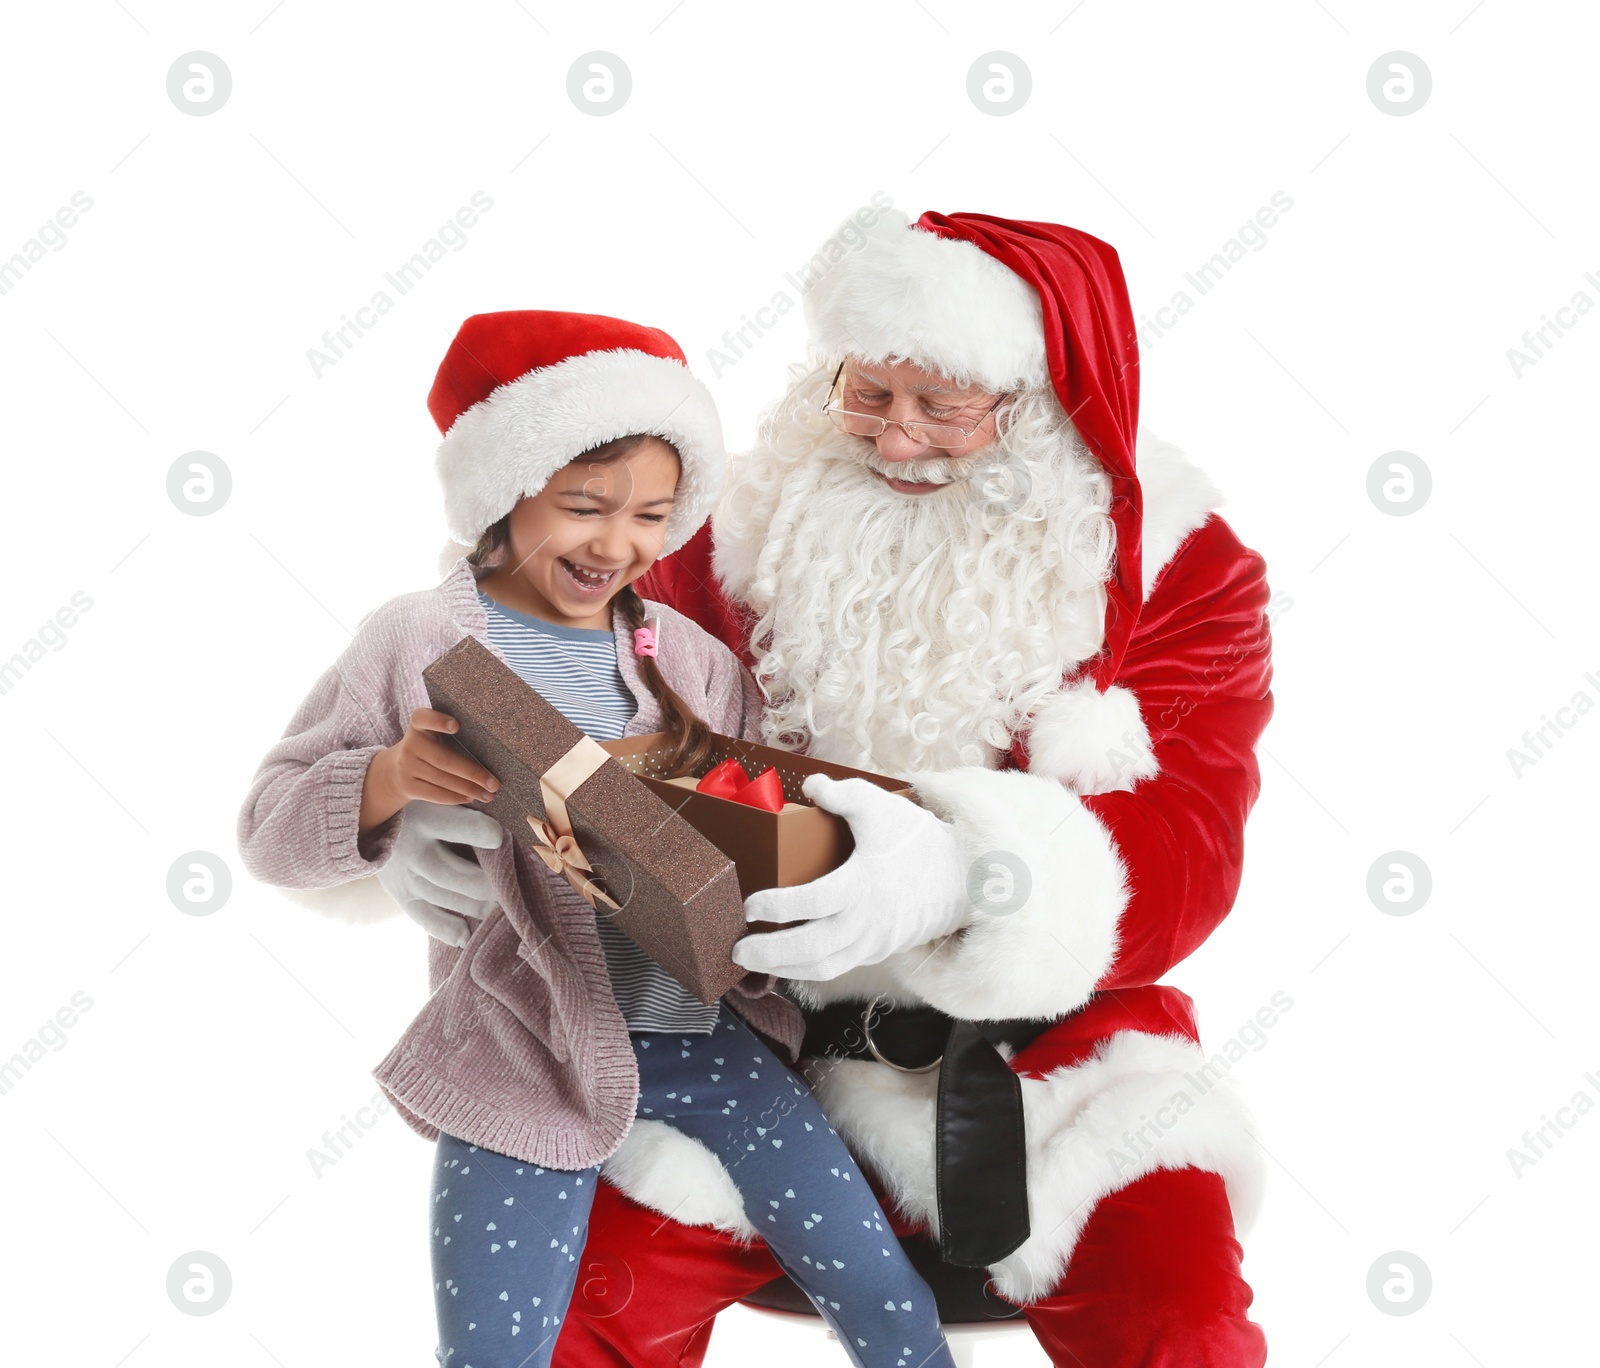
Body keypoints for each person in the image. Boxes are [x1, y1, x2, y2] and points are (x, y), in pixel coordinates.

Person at [332, 211, 1278, 1367]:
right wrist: (441, 818)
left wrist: (951, 876)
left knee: (1180, 1324)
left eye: (944, 405)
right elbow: (544, 670)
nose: (896, 439)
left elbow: (1187, 845)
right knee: (576, 1307)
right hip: (741, 1036)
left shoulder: (1180, 571)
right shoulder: (723, 532)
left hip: (1046, 1061)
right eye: (868, 393)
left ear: (1041, 407)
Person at [234, 310, 957, 1368]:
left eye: (652, 516)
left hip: (705, 1034)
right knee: (497, 1347)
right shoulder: (419, 639)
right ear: (503, 492)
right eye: (583, 506)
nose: (617, 545)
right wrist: (386, 783)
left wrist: (778, 856)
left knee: (882, 1296)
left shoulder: (693, 659)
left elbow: (762, 807)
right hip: (522, 1044)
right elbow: (268, 830)